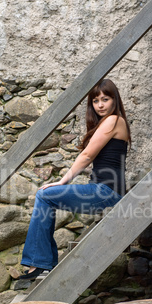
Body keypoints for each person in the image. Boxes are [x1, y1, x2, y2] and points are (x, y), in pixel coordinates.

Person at [19, 78, 131, 280]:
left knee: (44, 196)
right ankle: (42, 262)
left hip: (107, 192)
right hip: (101, 190)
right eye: (95, 101)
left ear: (115, 100)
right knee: (46, 198)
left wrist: (63, 181)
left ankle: (39, 263)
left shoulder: (114, 120)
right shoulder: (108, 123)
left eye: (105, 99)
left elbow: (87, 156)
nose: (100, 105)